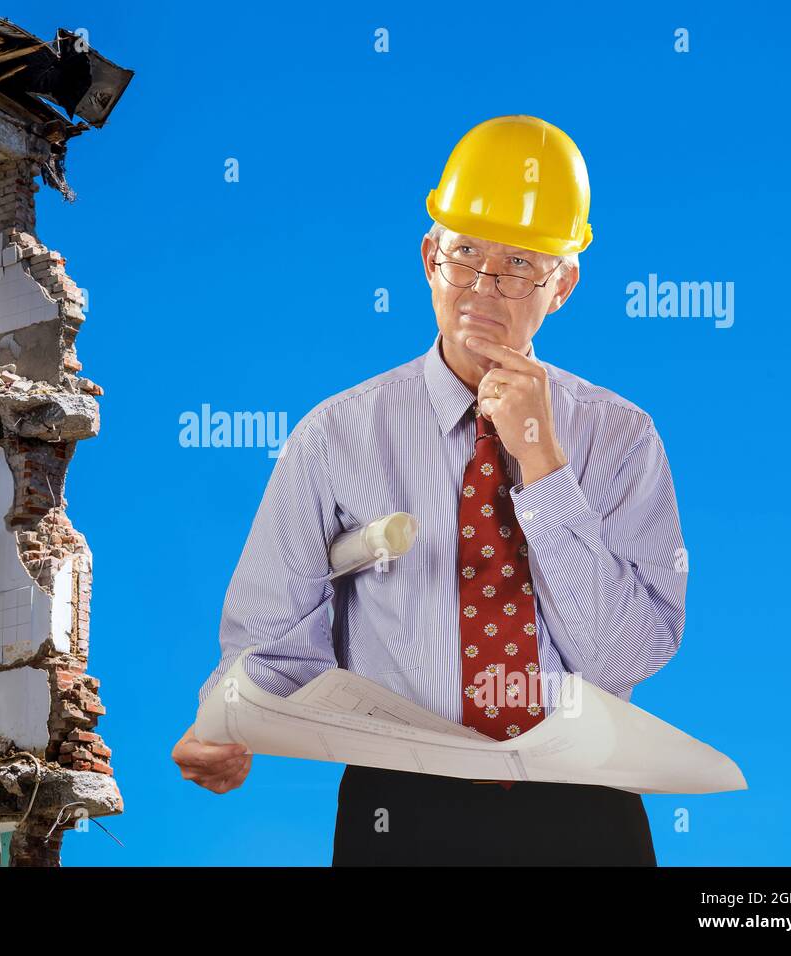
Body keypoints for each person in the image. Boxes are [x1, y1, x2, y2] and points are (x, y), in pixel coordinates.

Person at [172, 115, 685, 865]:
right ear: (427, 258)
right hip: (400, 813)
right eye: (465, 254)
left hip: (584, 806)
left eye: (517, 264)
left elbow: (619, 658)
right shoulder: (333, 437)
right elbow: (274, 636)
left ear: (563, 283)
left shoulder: (622, 441)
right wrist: (224, 718)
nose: (482, 288)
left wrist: (542, 466)